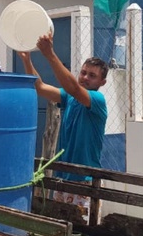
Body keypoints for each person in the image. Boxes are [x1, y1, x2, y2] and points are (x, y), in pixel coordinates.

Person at [18, 33, 108, 183]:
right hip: (64, 176)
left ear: (102, 82)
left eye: (92, 75)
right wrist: (27, 60)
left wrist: (49, 54)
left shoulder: (97, 100)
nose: (85, 77)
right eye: (83, 73)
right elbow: (40, 87)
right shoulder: (70, 97)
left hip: (85, 179)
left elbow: (73, 88)